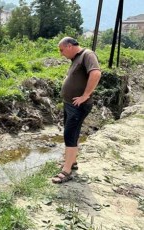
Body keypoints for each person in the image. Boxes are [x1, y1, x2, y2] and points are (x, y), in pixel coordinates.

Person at [52, 37, 101, 183]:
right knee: (72, 133)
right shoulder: (76, 58)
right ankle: (72, 162)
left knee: (69, 135)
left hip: (78, 105)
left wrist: (85, 95)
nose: (61, 54)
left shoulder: (88, 55)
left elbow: (96, 73)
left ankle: (66, 171)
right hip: (70, 104)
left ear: (69, 46)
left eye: (61, 50)